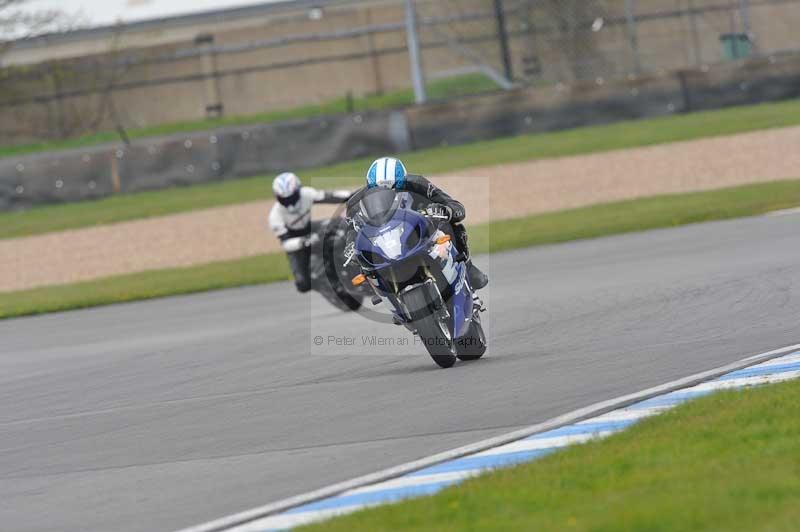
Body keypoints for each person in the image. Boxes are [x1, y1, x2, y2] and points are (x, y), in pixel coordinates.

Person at [346, 157, 488, 290]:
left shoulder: (418, 184)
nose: (388, 195)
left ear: (404, 181)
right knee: (363, 265)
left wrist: (445, 210)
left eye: (396, 189)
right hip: (385, 244)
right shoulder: (355, 203)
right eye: (378, 190)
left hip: (419, 233)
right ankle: (389, 297)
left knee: (450, 225)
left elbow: (454, 206)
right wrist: (351, 244)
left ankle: (467, 267)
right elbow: (351, 230)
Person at [269, 172, 351, 293]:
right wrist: (304, 241)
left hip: (310, 227)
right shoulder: (275, 216)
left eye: (292, 197)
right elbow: (286, 243)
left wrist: (351, 195)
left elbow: (330, 196)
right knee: (303, 285)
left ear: (298, 190)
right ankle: (320, 284)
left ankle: (348, 262)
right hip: (295, 243)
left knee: (339, 224)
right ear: (277, 197)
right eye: (284, 199)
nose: (290, 203)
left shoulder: (306, 193)